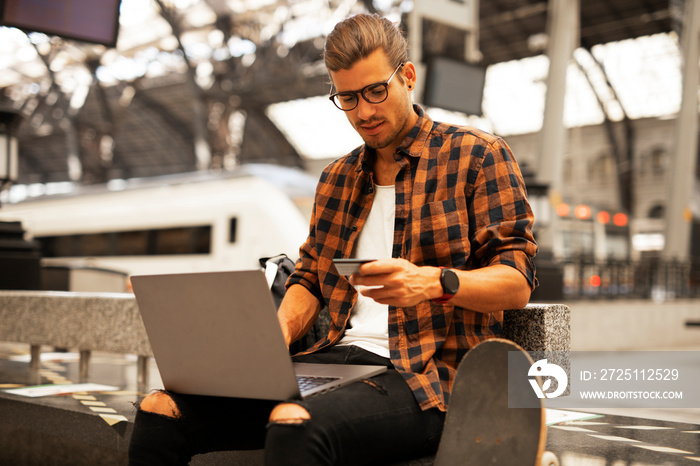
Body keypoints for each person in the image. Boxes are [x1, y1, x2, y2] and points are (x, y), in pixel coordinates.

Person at [128, 12, 538, 466]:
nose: (363, 111)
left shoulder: (478, 156)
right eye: (347, 97)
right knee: (160, 410)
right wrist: (276, 334)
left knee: (297, 423)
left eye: (375, 91)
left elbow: (516, 282)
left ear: (407, 77)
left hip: (428, 378)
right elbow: (309, 280)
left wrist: (434, 283)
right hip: (334, 361)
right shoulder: (337, 178)